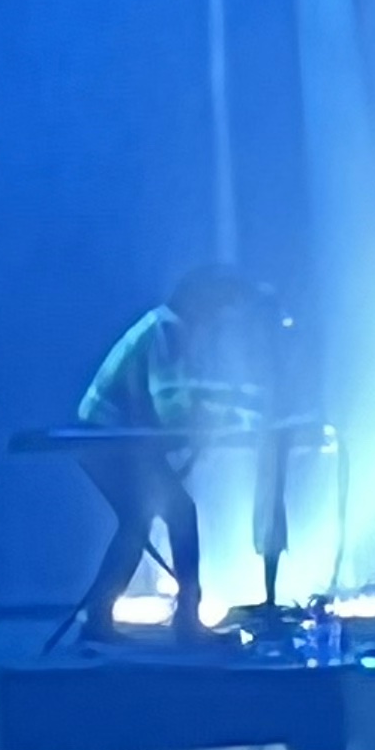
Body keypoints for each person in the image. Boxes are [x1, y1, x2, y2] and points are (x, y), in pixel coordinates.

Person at [74, 267, 269, 643]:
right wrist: (224, 418)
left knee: (139, 522)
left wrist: (234, 405)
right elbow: (173, 408)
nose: (219, 321)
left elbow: (186, 393)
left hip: (117, 441)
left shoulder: (166, 328)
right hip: (110, 440)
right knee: (173, 516)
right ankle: (185, 622)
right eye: (220, 308)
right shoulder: (167, 331)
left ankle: (100, 619)